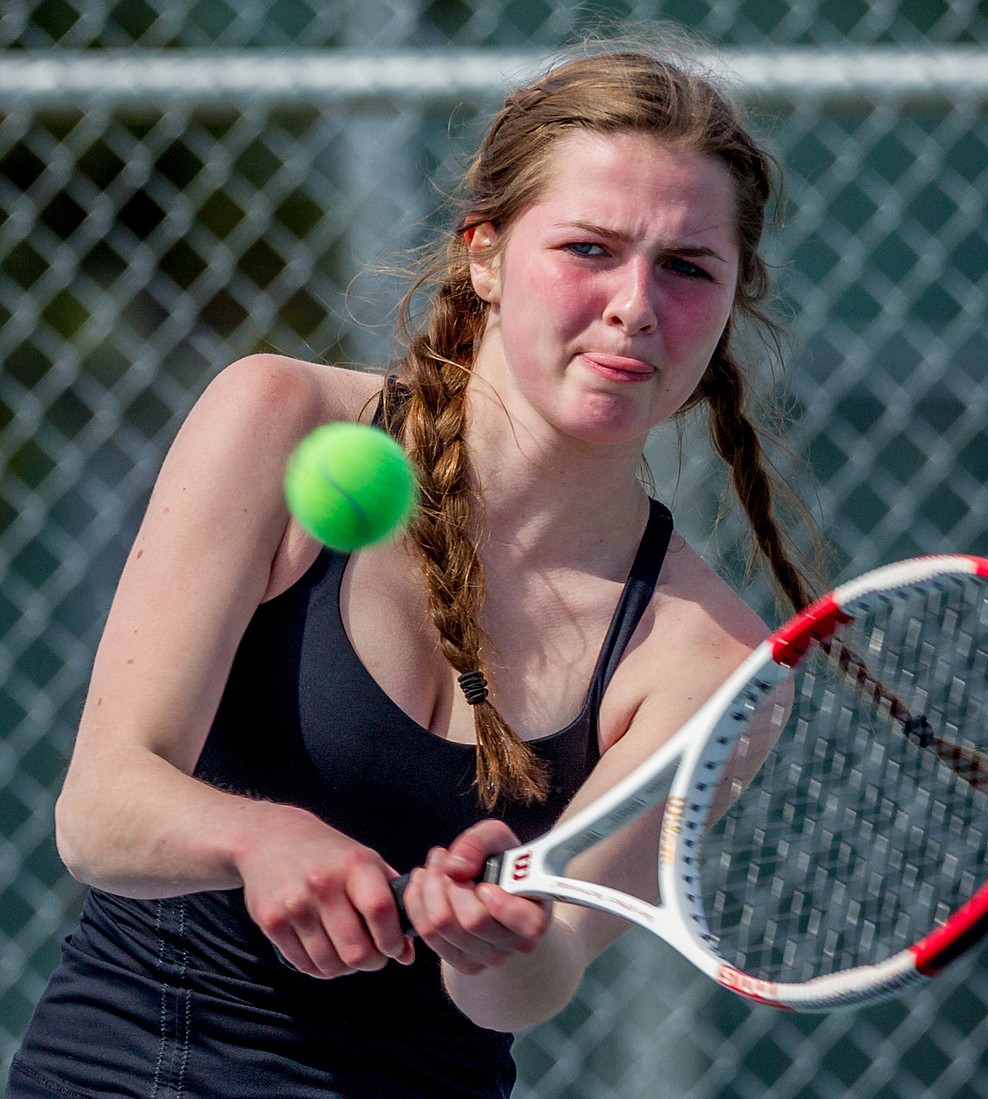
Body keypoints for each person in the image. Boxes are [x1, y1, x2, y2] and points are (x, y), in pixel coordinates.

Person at [7, 43, 818, 1099]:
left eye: (686, 266)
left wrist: (503, 937)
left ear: (731, 297)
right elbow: (101, 808)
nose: (634, 304)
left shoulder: (715, 668)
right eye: (589, 248)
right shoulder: (277, 420)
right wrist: (259, 836)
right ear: (484, 254)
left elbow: (540, 973)